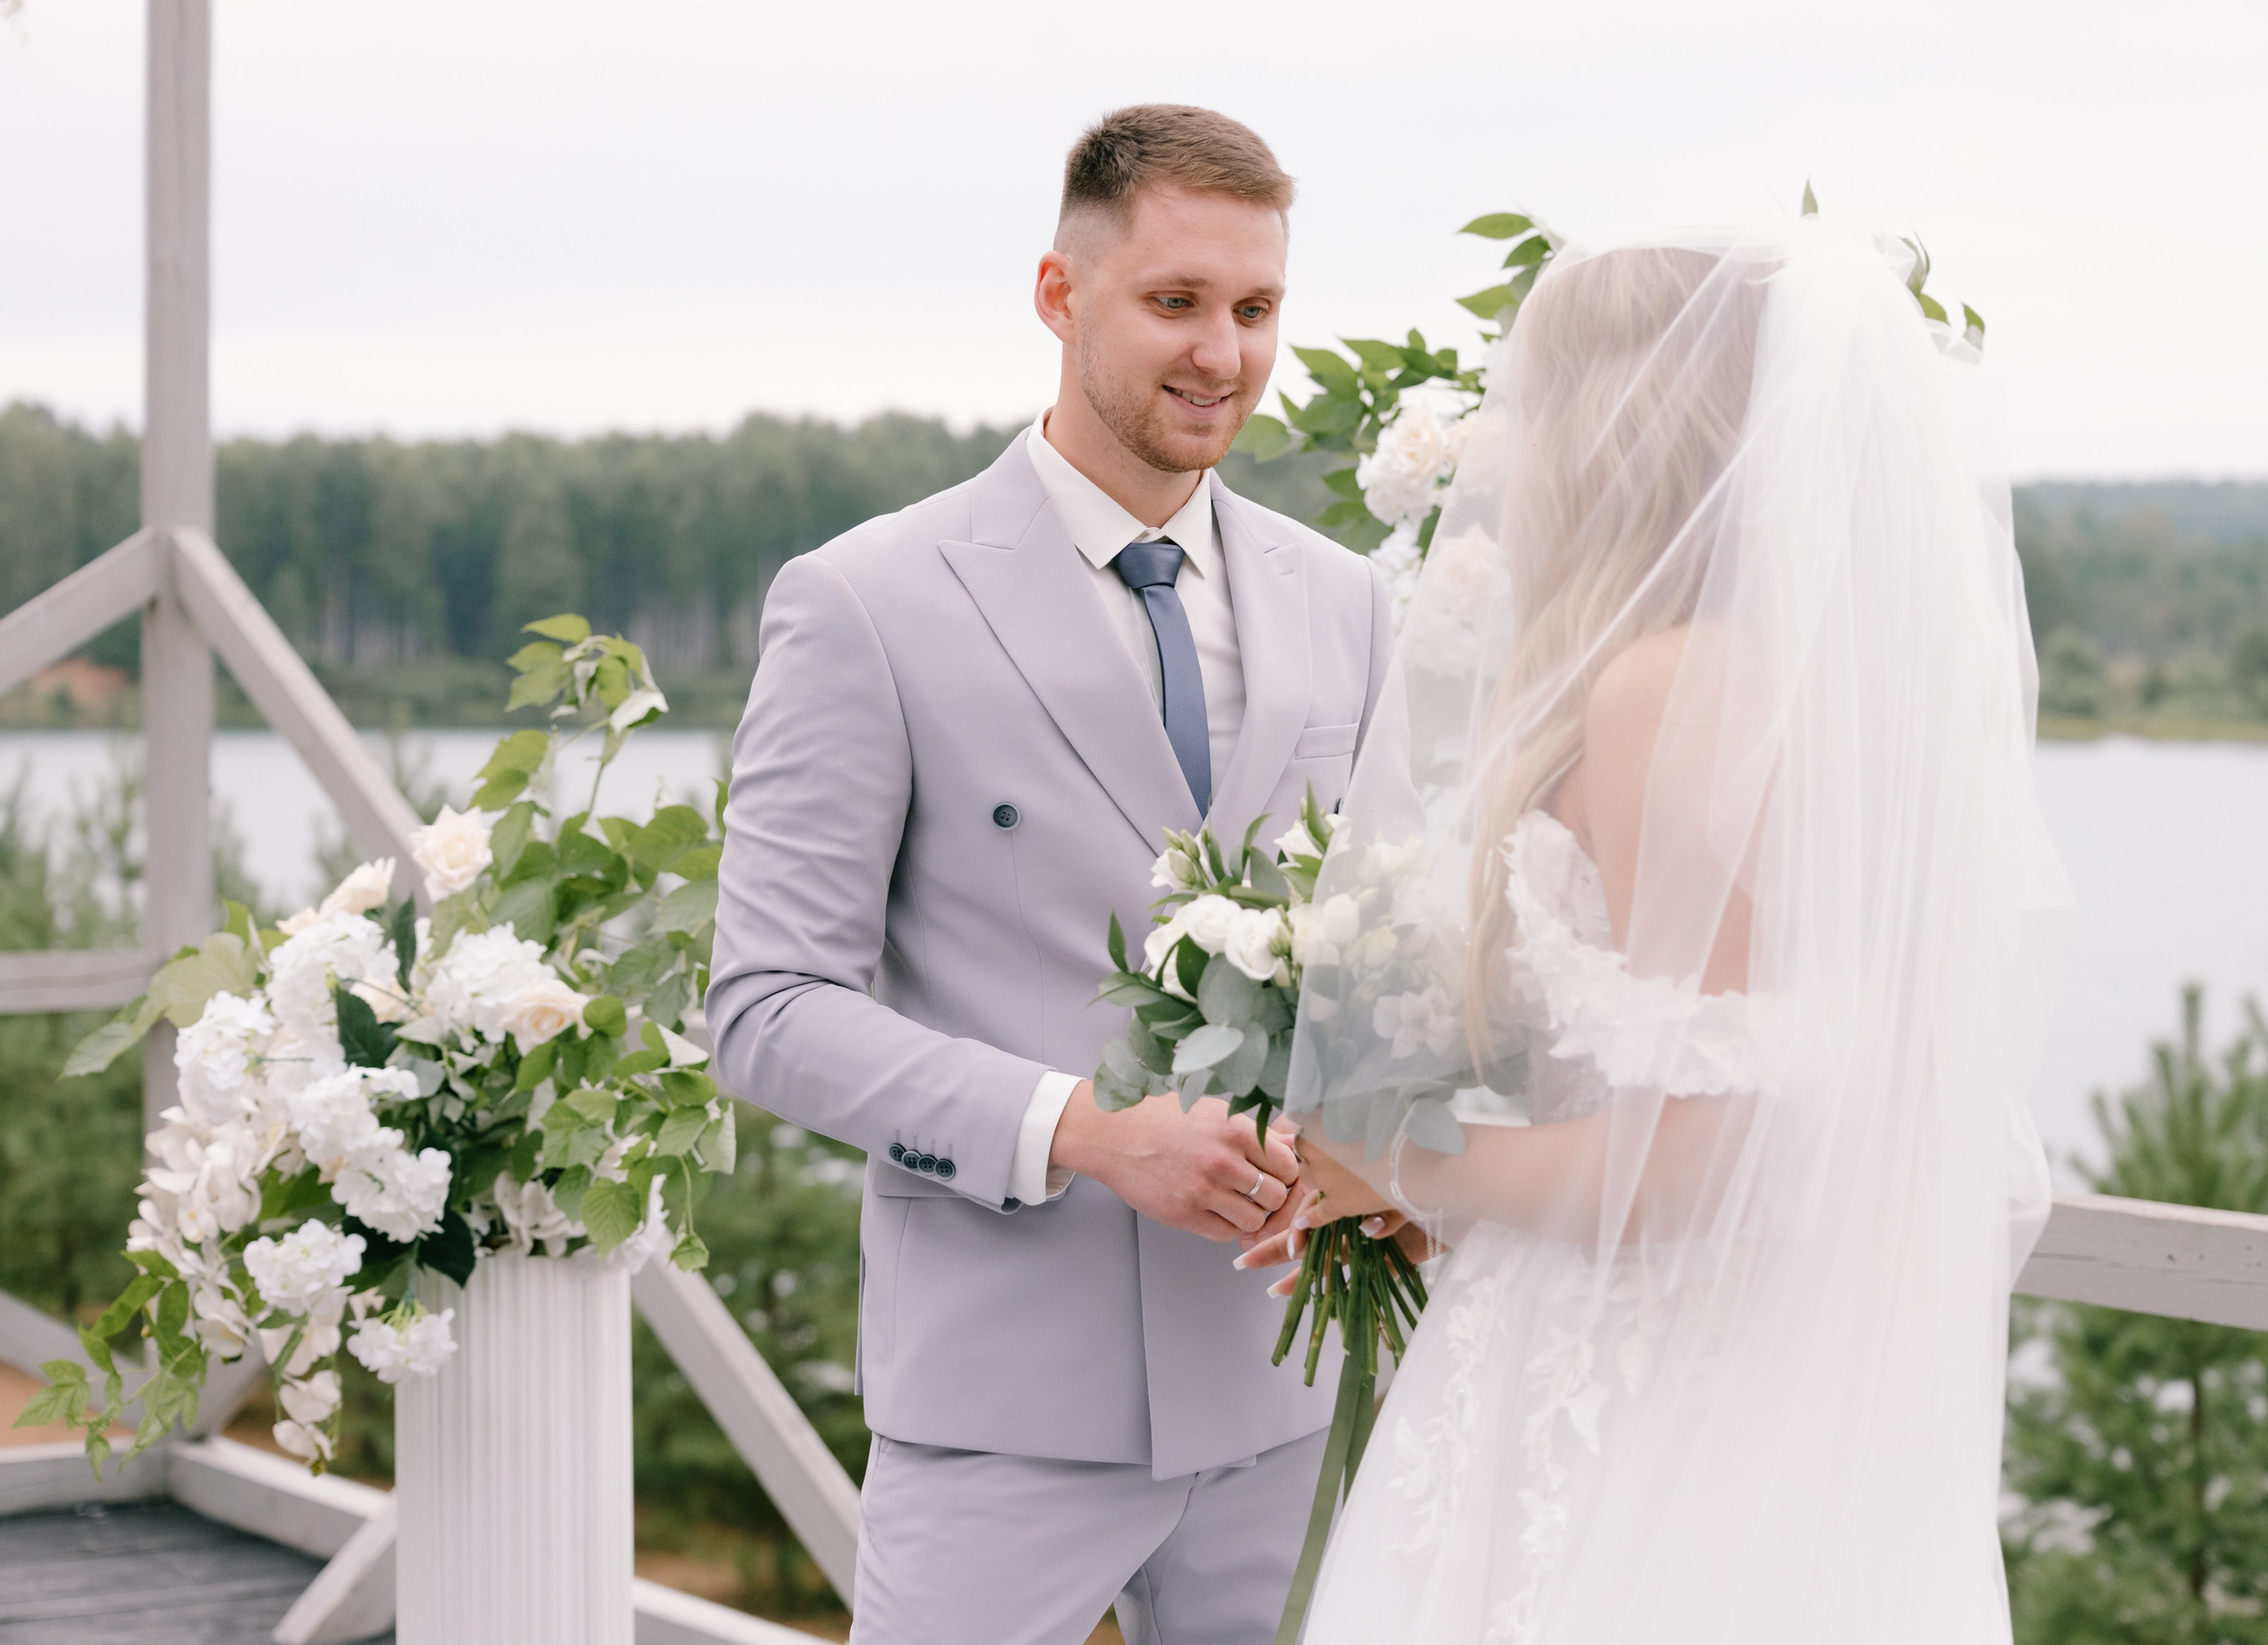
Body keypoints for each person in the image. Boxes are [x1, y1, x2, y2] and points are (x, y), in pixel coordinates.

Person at [1237, 223, 2073, 1641]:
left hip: (1643, 1387)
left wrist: (1392, 1155)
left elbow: (1711, 1148)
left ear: (1610, 429)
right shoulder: (1776, 682)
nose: (1516, 448)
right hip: (1686, 1349)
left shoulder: (1673, 692)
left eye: (1540, 404)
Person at [707, 105, 1391, 1645]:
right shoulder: (866, 601)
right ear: (1057, 293)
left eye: (1257, 308)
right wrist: (1085, 1133)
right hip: (1004, 1395)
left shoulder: (1345, 603)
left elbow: (1393, 959)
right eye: (1176, 303)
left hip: (1288, 1372)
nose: (1222, 351)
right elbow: (763, 1007)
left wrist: (1399, 1166)